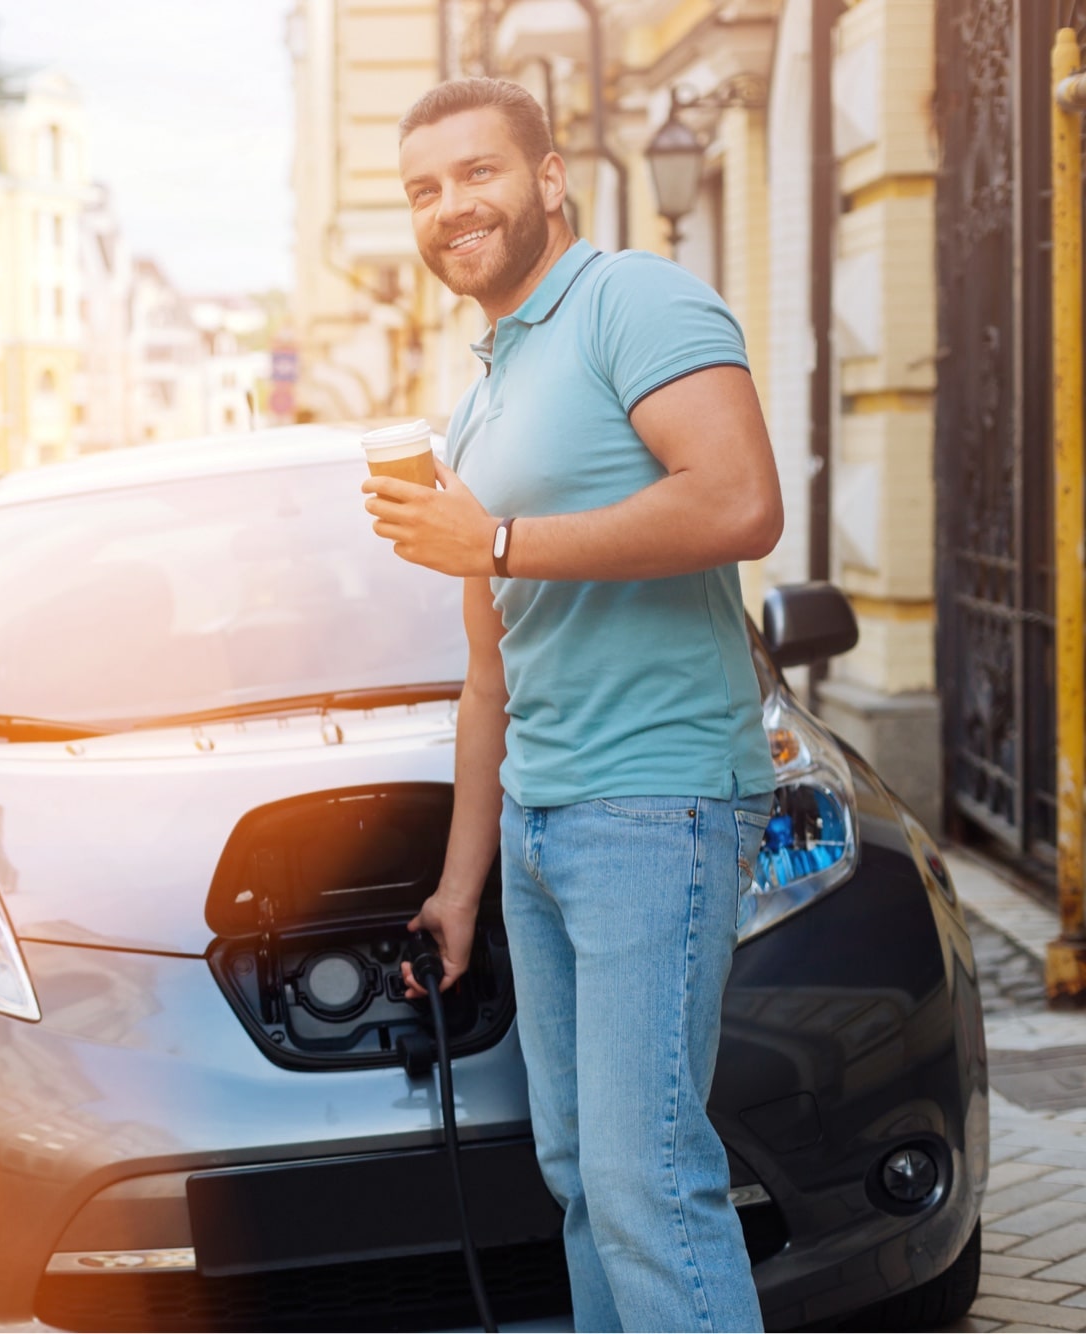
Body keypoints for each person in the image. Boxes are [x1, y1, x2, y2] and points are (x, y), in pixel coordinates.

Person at [363, 77, 784, 1332]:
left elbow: (739, 502)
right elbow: (492, 673)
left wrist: (489, 536)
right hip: (545, 823)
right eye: (423, 190)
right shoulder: (484, 389)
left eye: (477, 173)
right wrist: (457, 884)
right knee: (582, 1180)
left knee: (647, 1183)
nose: (451, 208)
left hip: (655, 801)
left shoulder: (631, 300)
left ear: (548, 178)